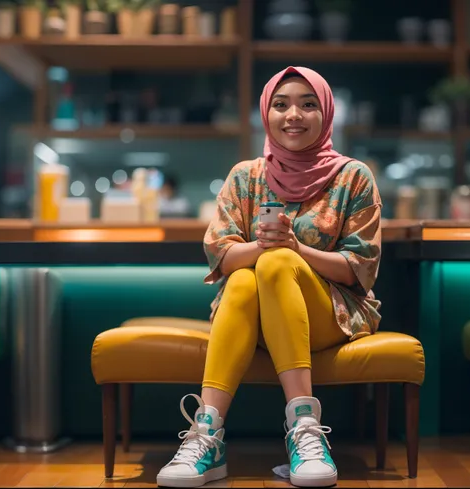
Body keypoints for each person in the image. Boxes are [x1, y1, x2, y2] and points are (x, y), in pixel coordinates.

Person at [156, 66, 382, 488]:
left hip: (330, 316)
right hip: (254, 320)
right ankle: (207, 435)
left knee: (276, 263)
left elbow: (360, 269)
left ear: (326, 112)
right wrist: (264, 247)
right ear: (266, 113)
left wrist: (295, 250)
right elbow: (220, 255)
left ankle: (304, 429)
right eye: (281, 105)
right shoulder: (246, 177)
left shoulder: (354, 176)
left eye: (307, 104)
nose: (293, 114)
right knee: (243, 277)